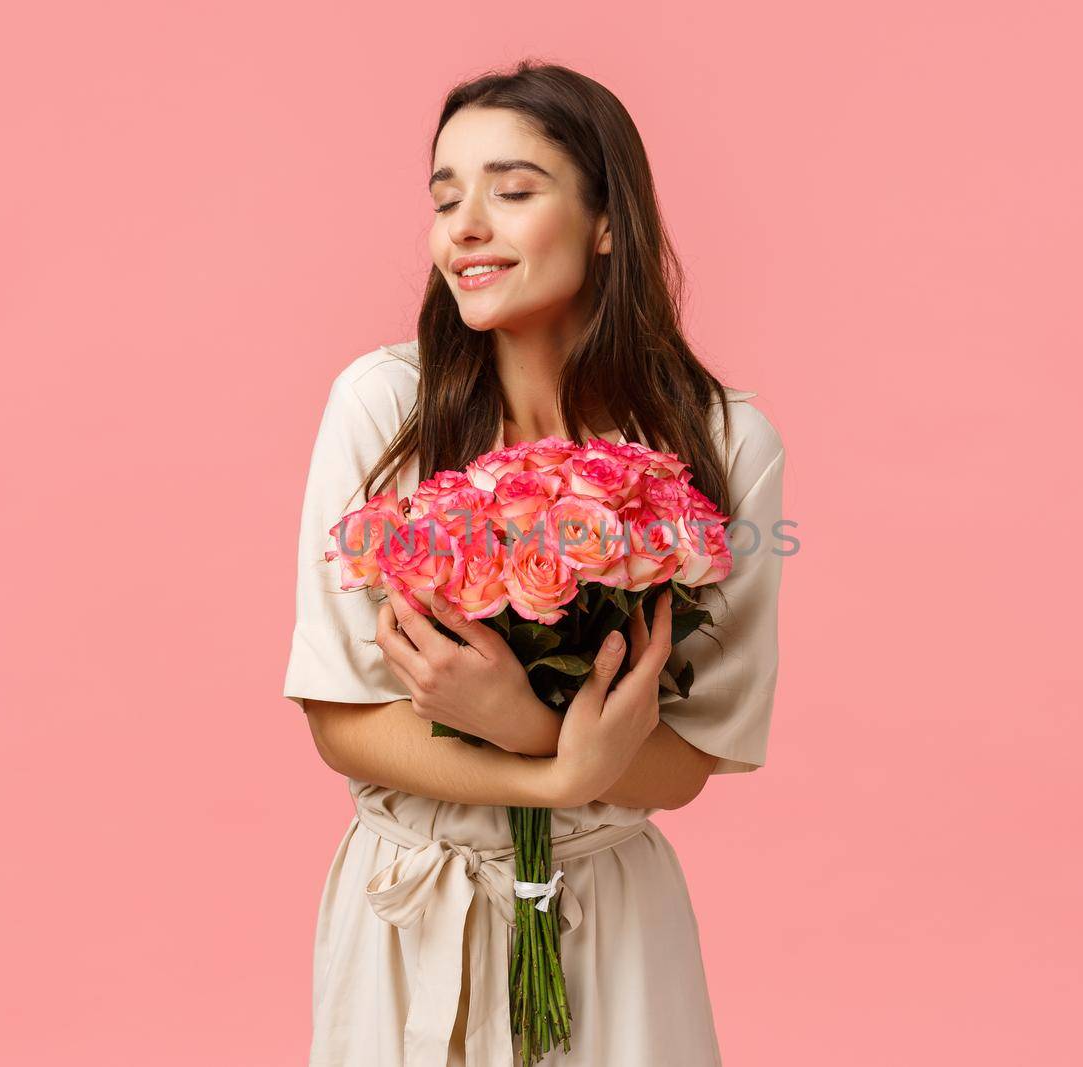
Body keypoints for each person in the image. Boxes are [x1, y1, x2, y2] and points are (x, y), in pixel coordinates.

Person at [282, 60, 787, 1066]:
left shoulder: (726, 443)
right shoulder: (383, 408)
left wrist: (520, 720)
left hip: (609, 908)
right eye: (445, 196)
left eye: (512, 191)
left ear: (608, 221)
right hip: (410, 910)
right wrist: (559, 773)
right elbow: (341, 718)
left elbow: (689, 754)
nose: (465, 225)